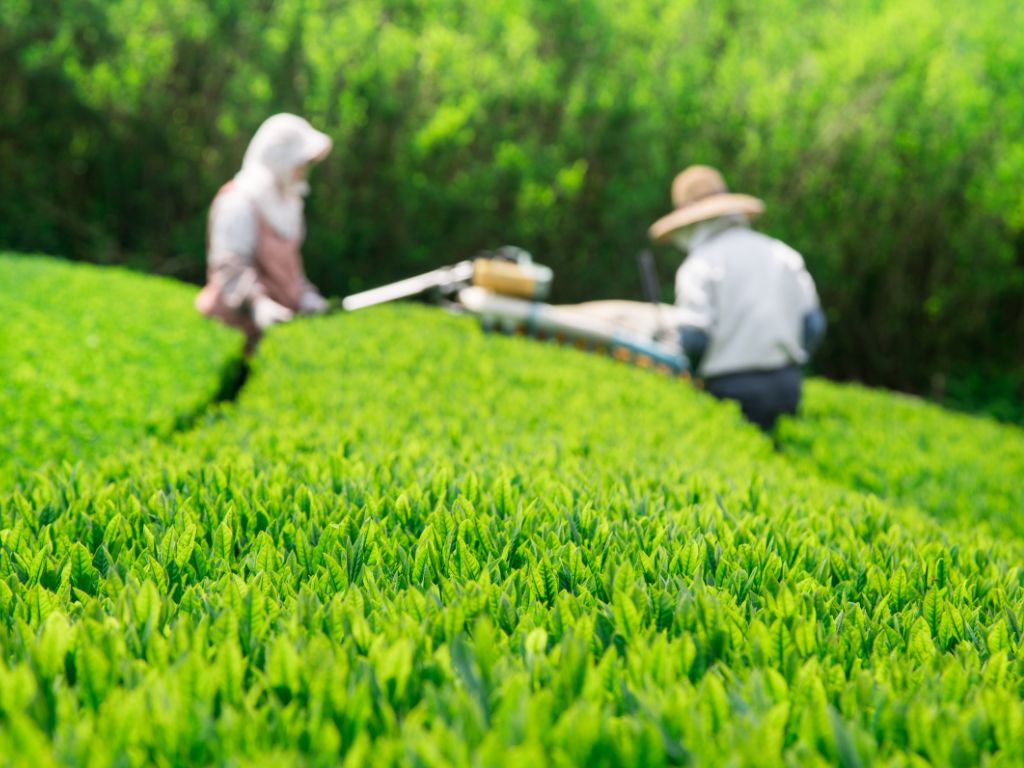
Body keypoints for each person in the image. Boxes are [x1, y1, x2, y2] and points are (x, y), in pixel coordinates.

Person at [649, 165, 826, 431]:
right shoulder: (782, 253)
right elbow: (813, 325)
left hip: (730, 391)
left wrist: (691, 372)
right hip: (788, 387)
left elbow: (695, 338)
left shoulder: (699, 265)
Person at [196, 113, 333, 351]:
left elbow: (289, 268)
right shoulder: (238, 201)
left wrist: (304, 296)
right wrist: (258, 304)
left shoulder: (289, 204)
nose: (303, 170)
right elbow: (229, 266)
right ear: (281, 159)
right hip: (233, 328)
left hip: (276, 331)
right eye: (300, 163)